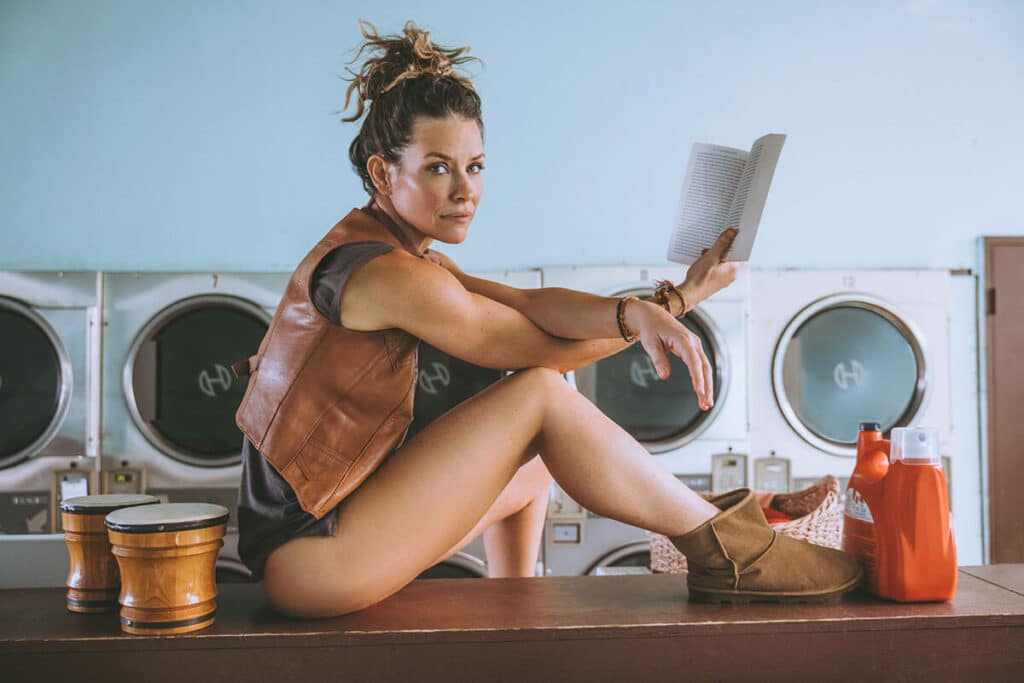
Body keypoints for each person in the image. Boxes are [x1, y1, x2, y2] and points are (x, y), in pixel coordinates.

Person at [233, 19, 862, 619]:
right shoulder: (385, 275)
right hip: (310, 559)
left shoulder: (395, 253)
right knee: (538, 394)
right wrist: (668, 308)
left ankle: (519, 608)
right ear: (382, 173)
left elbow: (531, 304)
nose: (464, 190)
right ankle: (731, 549)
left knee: (533, 463)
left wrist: (656, 301)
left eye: (474, 166)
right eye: (437, 167)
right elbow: (539, 351)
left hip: (331, 535)